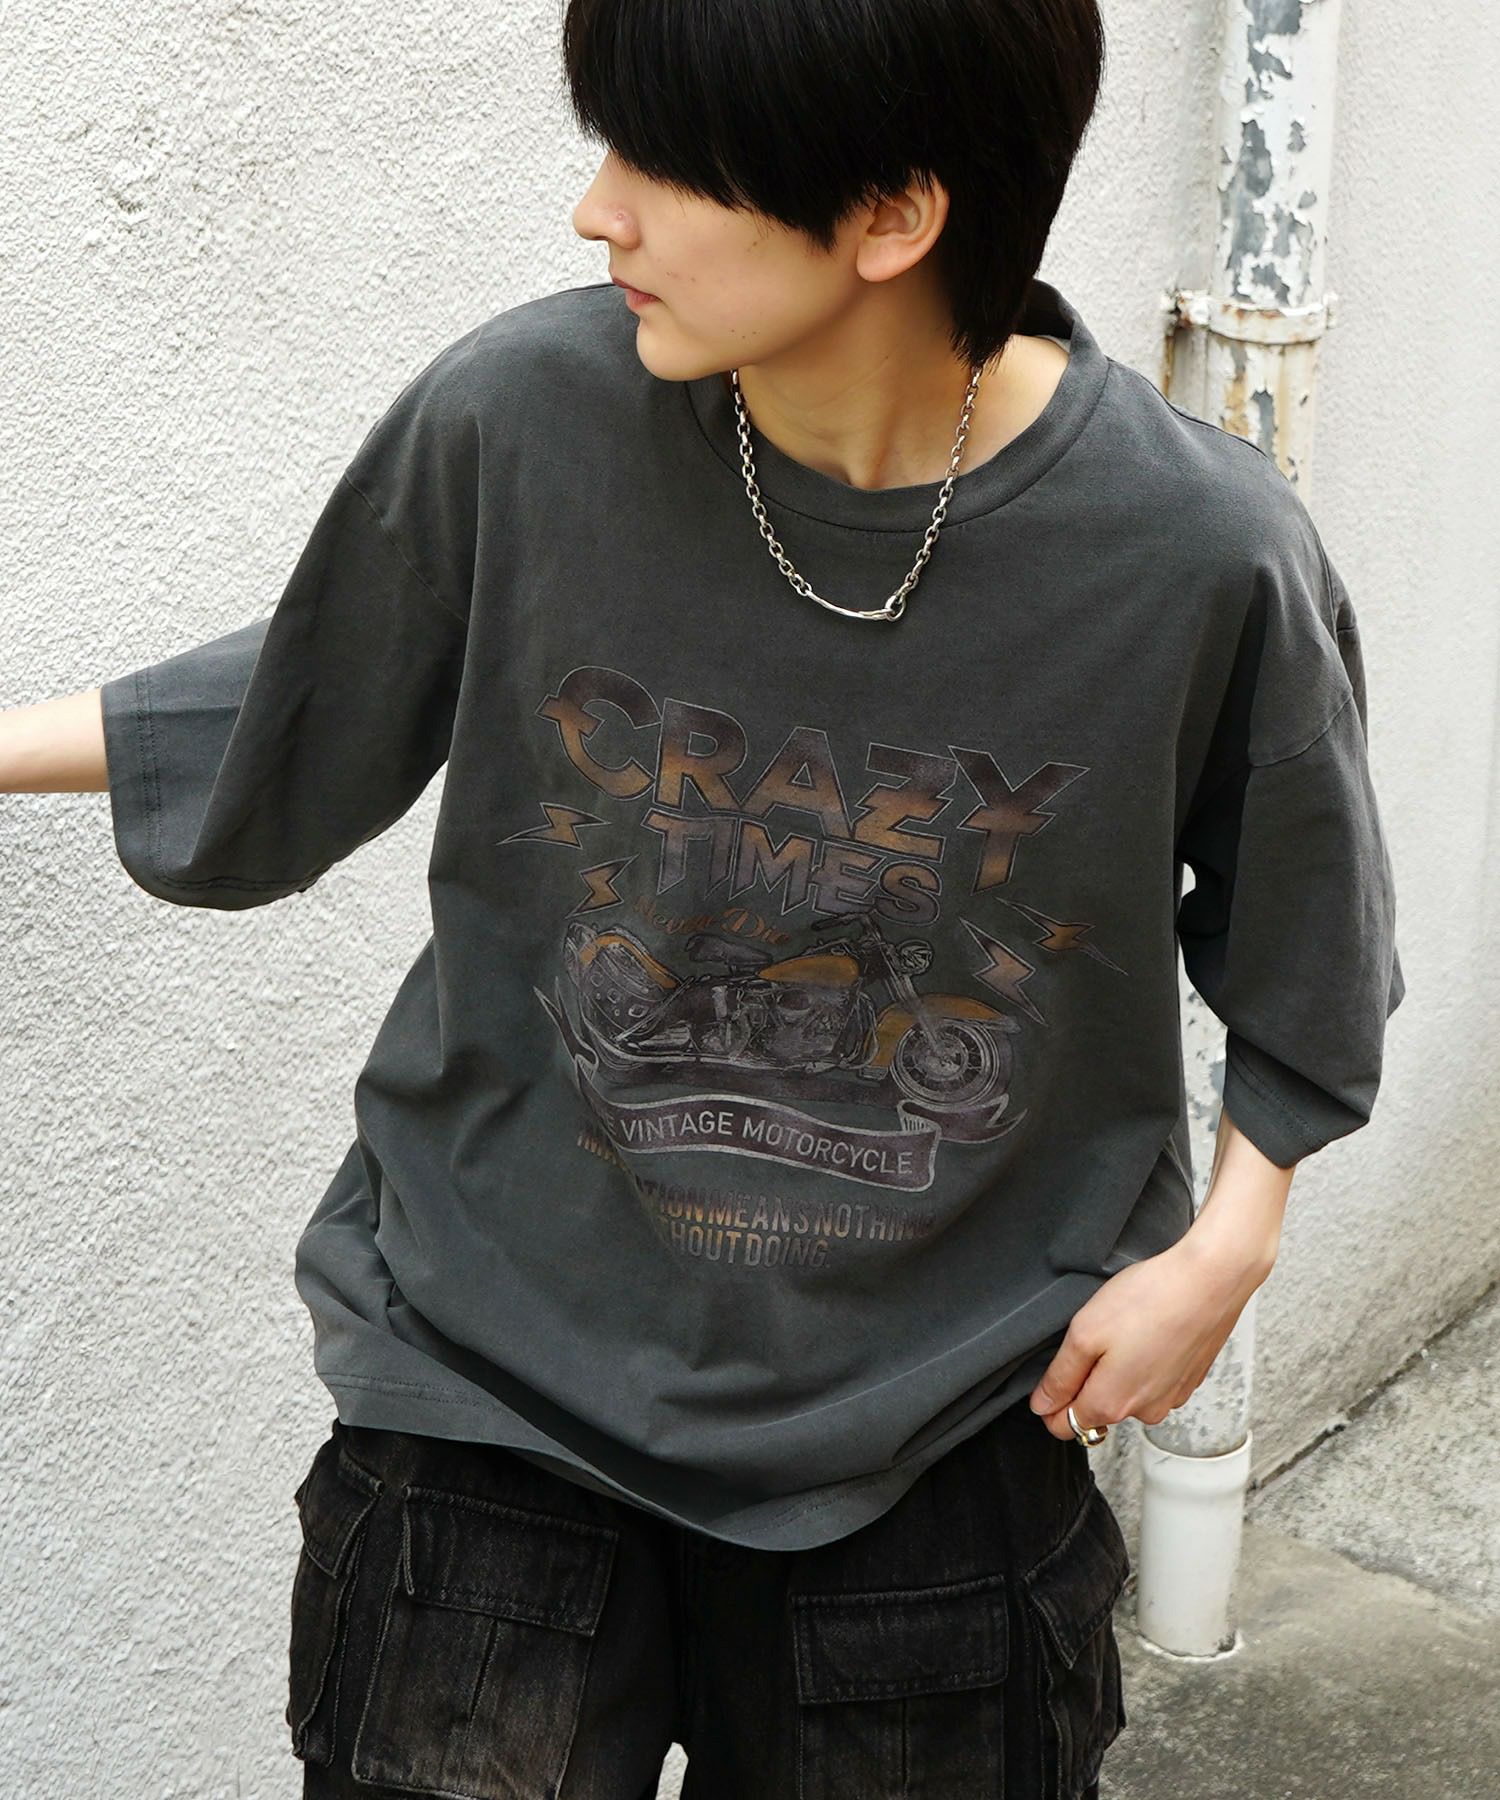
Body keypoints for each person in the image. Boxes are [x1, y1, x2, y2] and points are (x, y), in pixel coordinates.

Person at [4, 0, 1404, 1795]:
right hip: (490, 1387)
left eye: (664, 165)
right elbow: (305, 686)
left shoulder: (1198, 554)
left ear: (893, 214)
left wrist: (1229, 1247)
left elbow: (1309, 936)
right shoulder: (524, 416)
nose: (600, 210)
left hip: (945, 1419)